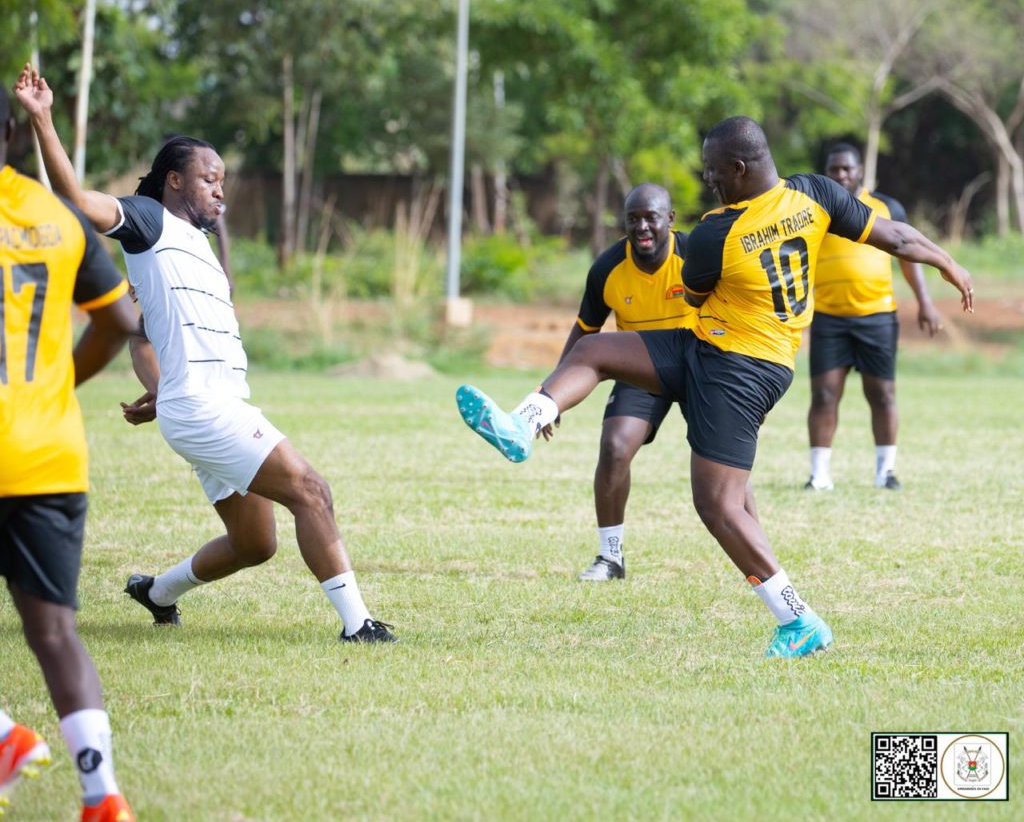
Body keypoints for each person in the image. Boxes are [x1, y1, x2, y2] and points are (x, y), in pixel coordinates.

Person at [456, 116, 973, 658]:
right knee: (594, 350)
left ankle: (800, 621)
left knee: (719, 504)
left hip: (742, 369)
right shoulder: (814, 194)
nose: (710, 181)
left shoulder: (716, 233)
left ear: (740, 168)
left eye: (714, 172)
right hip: (711, 347)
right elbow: (895, 234)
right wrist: (948, 261)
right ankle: (524, 422)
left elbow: (699, 294)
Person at [14, 63, 395, 644]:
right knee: (311, 490)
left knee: (255, 545)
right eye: (208, 178)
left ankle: (156, 591)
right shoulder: (149, 222)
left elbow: (144, 333)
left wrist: (163, 390)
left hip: (203, 404)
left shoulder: (200, 247)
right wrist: (42, 118)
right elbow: (73, 195)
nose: (220, 188)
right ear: (172, 181)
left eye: (223, 181)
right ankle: (358, 625)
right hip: (207, 409)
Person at [0, 84, 138, 821]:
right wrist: (61, 381)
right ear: (13, 139)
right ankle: (102, 793)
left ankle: (4, 737)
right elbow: (119, 319)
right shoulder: (55, 219)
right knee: (54, 631)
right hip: (48, 449)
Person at [559, 183, 692, 580]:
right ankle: (611, 557)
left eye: (651, 216)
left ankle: (757, 562)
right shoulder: (607, 267)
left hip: (697, 365)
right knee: (614, 447)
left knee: (722, 465)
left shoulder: (696, 256)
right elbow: (585, 332)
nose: (642, 227)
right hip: (642, 367)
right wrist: (552, 394)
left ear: (670, 218)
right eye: (633, 218)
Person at [805, 143, 945, 491]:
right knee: (824, 395)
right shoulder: (816, 211)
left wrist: (925, 302)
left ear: (859, 173)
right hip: (828, 317)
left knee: (882, 395)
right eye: (834, 169)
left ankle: (886, 472)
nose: (840, 175)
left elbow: (908, 256)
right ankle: (819, 475)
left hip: (877, 318)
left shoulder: (886, 207)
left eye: (846, 169)